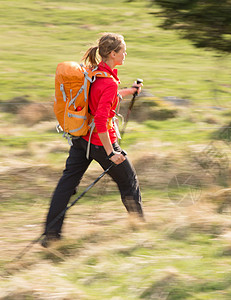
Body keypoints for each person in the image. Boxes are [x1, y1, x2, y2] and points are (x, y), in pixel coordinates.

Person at [42, 33, 145, 247]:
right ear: (113, 53)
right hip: (100, 143)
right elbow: (100, 118)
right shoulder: (107, 82)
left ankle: (51, 236)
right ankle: (141, 229)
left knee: (66, 185)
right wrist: (111, 152)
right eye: (123, 51)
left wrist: (128, 91)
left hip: (80, 139)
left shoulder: (94, 73)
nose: (125, 54)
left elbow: (102, 98)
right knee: (129, 182)